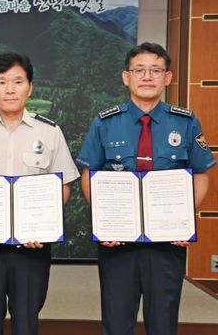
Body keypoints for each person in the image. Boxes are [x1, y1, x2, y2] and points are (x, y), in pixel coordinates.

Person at [76, 42, 215, 335]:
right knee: (116, 320)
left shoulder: (186, 122)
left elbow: (201, 174)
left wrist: (184, 221)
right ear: (127, 77)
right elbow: (89, 175)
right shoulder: (105, 122)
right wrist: (106, 222)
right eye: (139, 70)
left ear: (168, 77)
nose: (147, 76)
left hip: (166, 243)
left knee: (163, 321)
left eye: (156, 70)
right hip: (118, 244)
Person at [0, 52, 78, 335]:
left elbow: (64, 185)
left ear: (30, 88)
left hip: (32, 249)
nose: (10, 89)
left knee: (27, 324)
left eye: (18, 82)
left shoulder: (50, 132)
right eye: (2, 82)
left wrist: (45, 227)